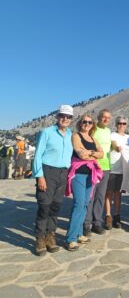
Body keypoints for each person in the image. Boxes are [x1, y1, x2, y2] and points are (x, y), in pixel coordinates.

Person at [32, 105, 74, 256]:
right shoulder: (47, 132)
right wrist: (40, 176)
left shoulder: (70, 134)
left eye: (68, 117)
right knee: (44, 205)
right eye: (62, 115)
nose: (65, 119)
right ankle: (40, 238)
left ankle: (50, 235)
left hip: (63, 173)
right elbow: (37, 155)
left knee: (56, 206)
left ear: (71, 119)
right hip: (47, 171)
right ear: (57, 116)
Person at [66, 114, 104, 251]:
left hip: (90, 175)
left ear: (93, 124)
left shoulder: (93, 138)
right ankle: (71, 238)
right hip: (79, 174)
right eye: (84, 122)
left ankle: (79, 233)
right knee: (78, 203)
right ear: (80, 123)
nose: (86, 124)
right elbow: (80, 153)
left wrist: (90, 152)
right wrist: (94, 153)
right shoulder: (76, 136)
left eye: (89, 122)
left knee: (85, 204)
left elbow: (102, 154)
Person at [84, 109, 114, 236]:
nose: (106, 119)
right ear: (99, 117)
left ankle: (97, 222)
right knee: (90, 196)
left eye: (108, 117)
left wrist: (115, 146)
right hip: (93, 167)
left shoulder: (108, 131)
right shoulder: (93, 129)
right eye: (103, 117)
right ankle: (86, 224)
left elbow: (108, 146)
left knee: (100, 196)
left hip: (106, 167)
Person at [105, 116, 129, 230]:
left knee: (118, 194)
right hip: (112, 168)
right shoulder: (112, 135)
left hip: (123, 170)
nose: (121, 125)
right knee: (109, 193)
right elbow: (112, 144)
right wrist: (115, 147)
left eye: (124, 123)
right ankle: (108, 216)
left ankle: (117, 216)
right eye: (119, 123)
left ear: (126, 125)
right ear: (116, 124)